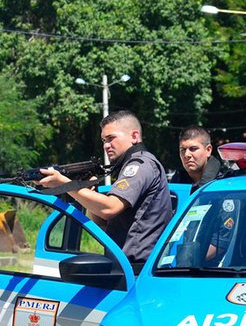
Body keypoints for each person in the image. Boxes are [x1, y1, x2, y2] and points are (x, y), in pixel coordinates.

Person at [38, 110, 171, 272]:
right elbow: (101, 221)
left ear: (134, 136)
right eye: (103, 140)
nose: (106, 145)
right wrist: (88, 190)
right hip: (126, 268)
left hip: (138, 270)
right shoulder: (130, 165)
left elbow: (110, 208)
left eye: (111, 138)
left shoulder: (140, 165)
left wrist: (65, 184)